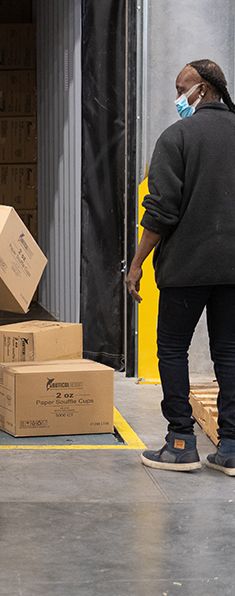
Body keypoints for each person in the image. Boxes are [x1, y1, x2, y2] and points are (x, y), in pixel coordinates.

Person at [127, 59, 235, 475]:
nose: (178, 98)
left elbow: (161, 212)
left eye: (181, 89)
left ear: (202, 89)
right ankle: (231, 449)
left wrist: (136, 264)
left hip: (187, 268)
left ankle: (180, 442)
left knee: (173, 349)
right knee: (229, 352)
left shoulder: (177, 137)